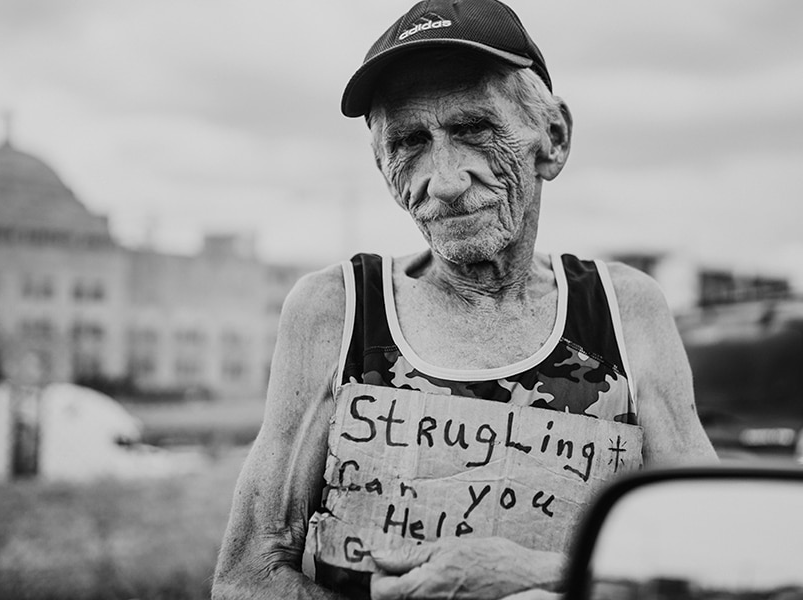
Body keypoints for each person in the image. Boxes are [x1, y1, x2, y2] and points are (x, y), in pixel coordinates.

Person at [212, 1, 717, 598]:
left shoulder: (623, 311)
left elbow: (709, 553)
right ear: (383, 167)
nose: (445, 180)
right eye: (409, 142)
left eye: (474, 129)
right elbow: (247, 576)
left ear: (552, 140)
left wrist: (530, 576)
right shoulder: (336, 312)